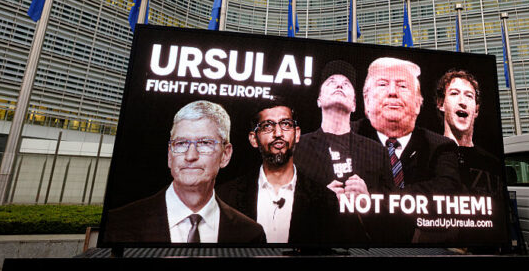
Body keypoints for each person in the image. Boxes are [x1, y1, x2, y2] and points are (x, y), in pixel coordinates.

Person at [104, 100, 266, 244]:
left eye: (204, 143)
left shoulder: (250, 234)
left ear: (225, 155)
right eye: (181, 143)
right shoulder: (118, 224)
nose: (190, 156)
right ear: (170, 155)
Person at [216, 102, 339, 244]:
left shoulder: (325, 200)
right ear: (254, 139)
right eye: (267, 126)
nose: (278, 133)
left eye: (286, 124)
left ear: (297, 134)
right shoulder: (225, 197)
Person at [353, 57, 461, 195]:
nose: (392, 92)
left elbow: (448, 190)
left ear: (417, 104)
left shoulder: (441, 147)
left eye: (402, 86)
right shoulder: (346, 136)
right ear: (366, 100)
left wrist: (373, 196)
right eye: (382, 84)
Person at [294, 60, 392, 197]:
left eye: (346, 84)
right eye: (331, 82)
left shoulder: (378, 152)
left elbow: (392, 205)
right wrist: (321, 199)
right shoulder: (298, 147)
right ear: (319, 100)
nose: (339, 85)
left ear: (354, 105)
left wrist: (368, 201)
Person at [436, 69, 502, 197]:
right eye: (454, 93)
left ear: (476, 110)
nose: (462, 102)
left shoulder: (492, 164)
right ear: (441, 104)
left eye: (469, 95)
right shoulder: (428, 159)